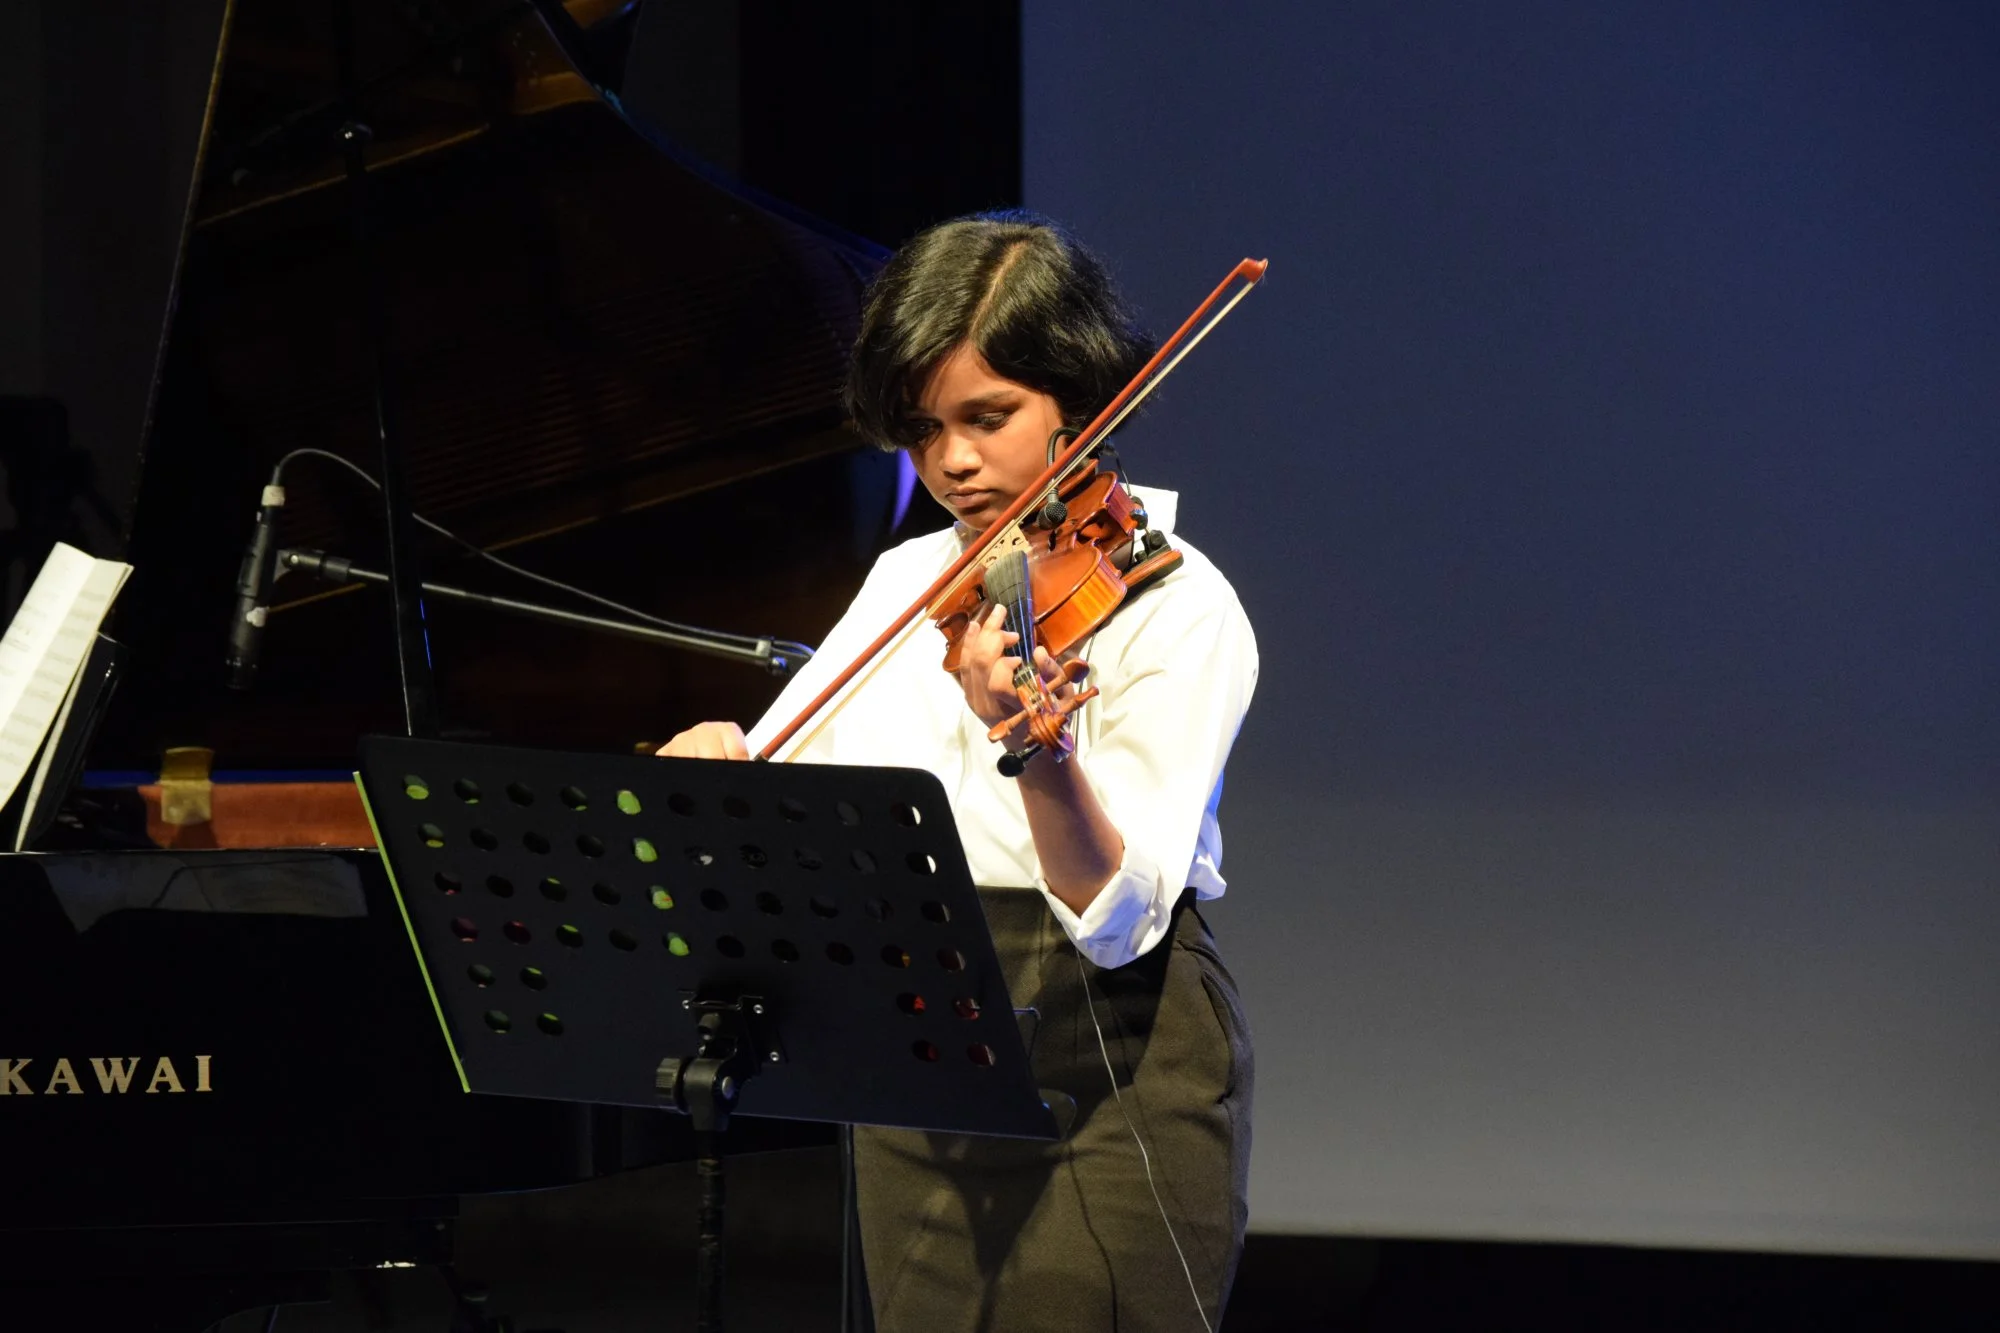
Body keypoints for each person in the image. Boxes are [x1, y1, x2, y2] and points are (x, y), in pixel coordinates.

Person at [657, 211, 1256, 1332]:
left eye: (987, 418)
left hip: (1106, 1068)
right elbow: (788, 780)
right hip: (923, 1058)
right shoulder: (905, 581)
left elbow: (1119, 921)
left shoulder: (1176, 609)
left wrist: (1032, 748)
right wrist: (719, 772)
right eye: (922, 430)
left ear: (1077, 401)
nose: (952, 462)